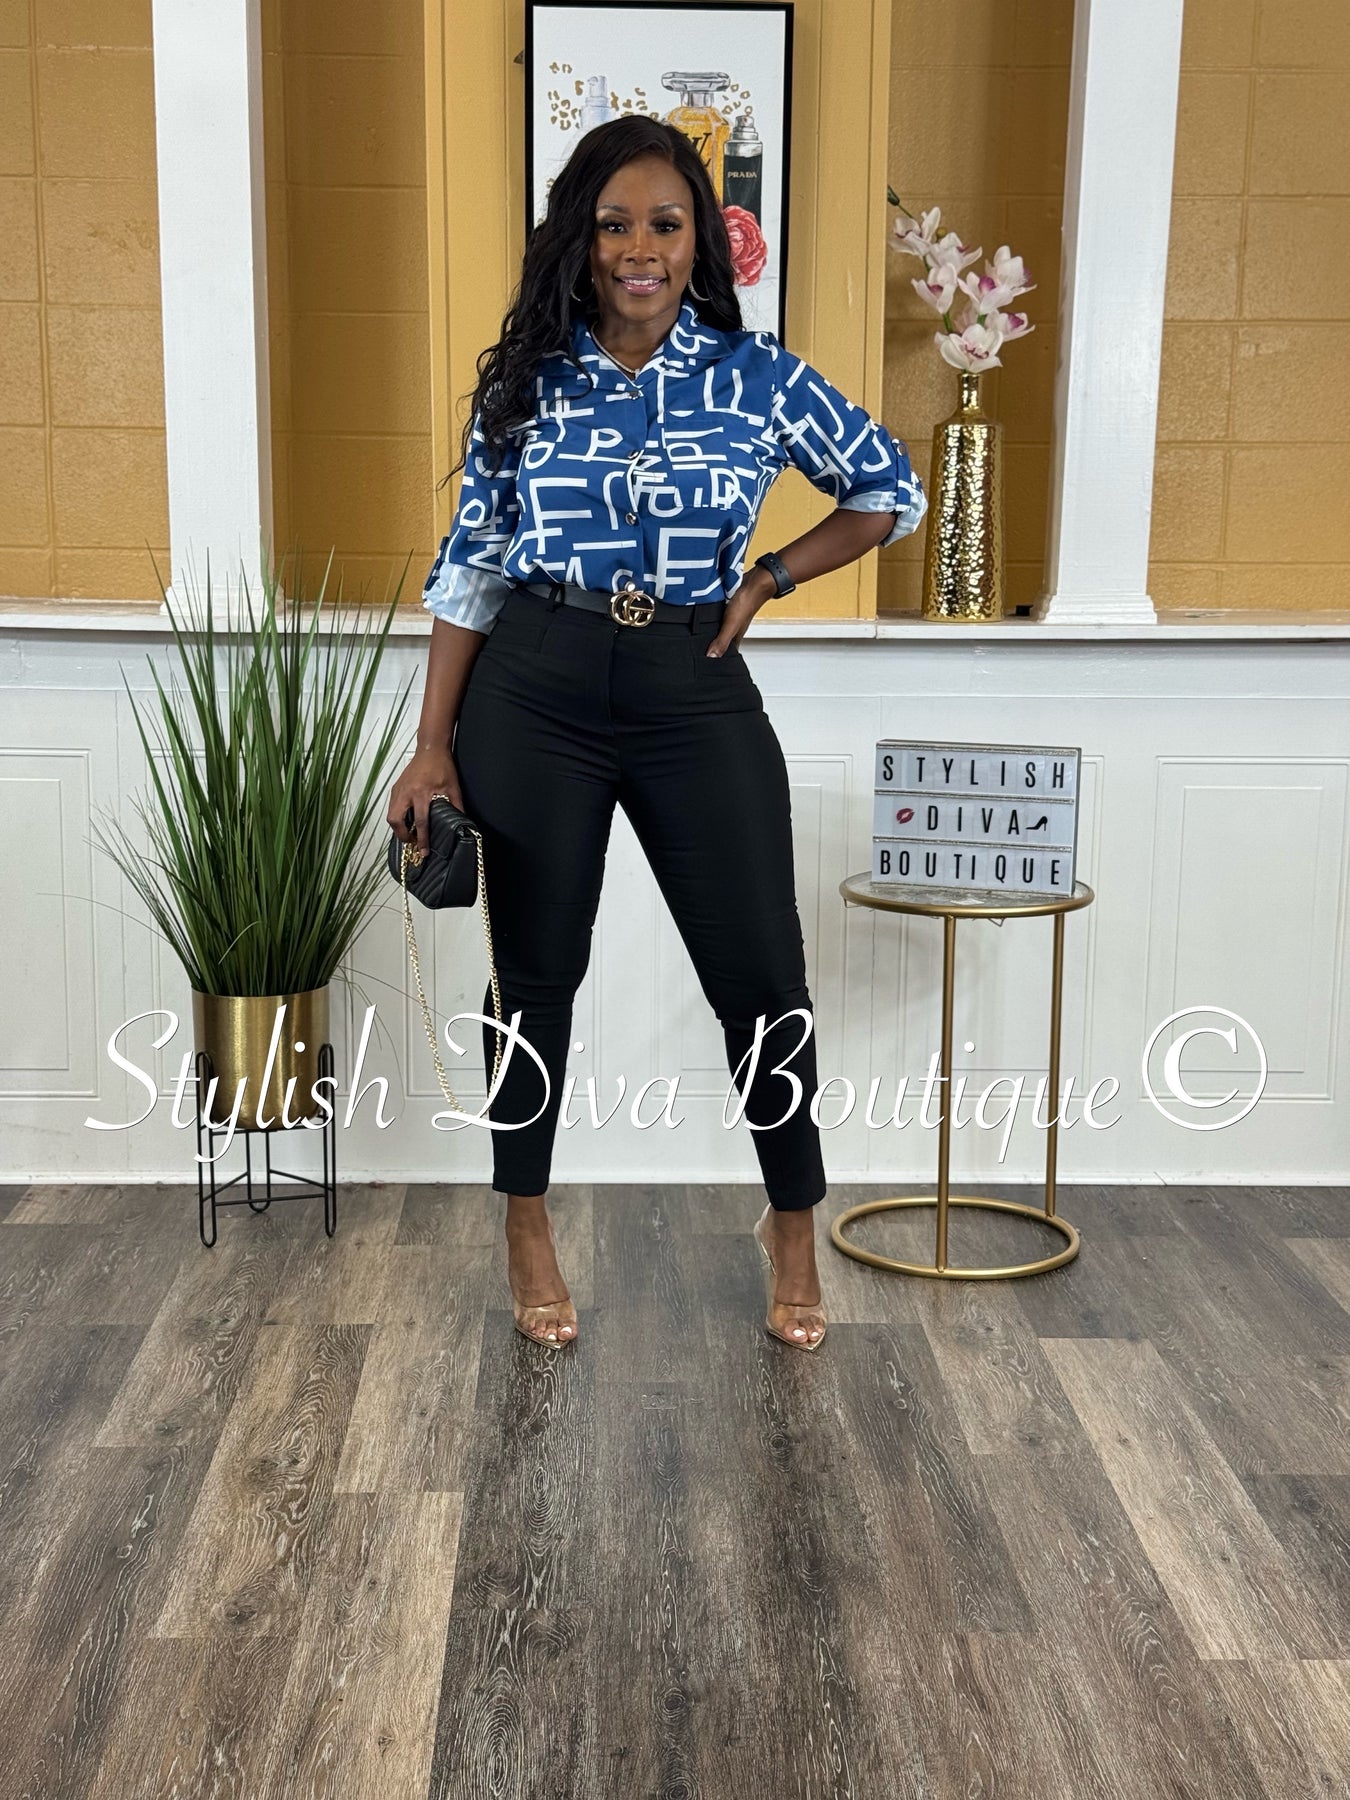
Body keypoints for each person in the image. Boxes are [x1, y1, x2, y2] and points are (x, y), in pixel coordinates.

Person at [388, 114, 926, 1352]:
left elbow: (886, 490)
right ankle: (526, 1222)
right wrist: (431, 743)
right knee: (534, 980)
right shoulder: (529, 380)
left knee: (761, 978)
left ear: (701, 242)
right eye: (615, 224)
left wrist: (770, 577)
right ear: (579, 242)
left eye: (666, 225)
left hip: (693, 683)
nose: (641, 247)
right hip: (536, 682)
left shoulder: (756, 376)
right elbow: (471, 565)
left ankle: (793, 1224)